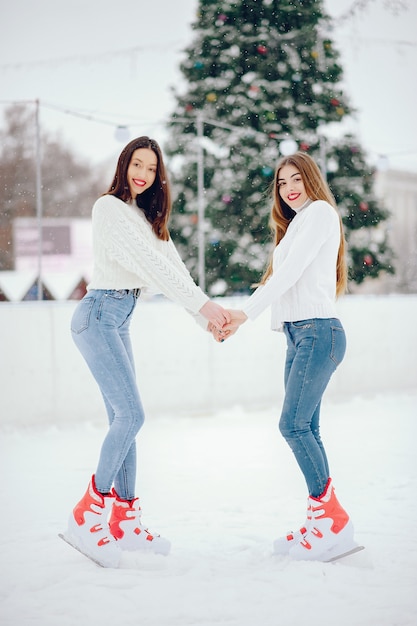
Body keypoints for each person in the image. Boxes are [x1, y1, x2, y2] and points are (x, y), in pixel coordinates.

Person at [63, 136, 230, 568]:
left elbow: (174, 270)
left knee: (126, 421)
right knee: (132, 415)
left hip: (119, 318)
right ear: (124, 165)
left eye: (151, 168)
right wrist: (206, 308)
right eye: (137, 164)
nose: (142, 173)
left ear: (158, 175)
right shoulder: (109, 209)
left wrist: (206, 319)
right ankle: (90, 512)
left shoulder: (147, 218)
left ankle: (124, 520)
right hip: (98, 314)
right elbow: (149, 267)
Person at [213, 152, 355, 562]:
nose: (289, 188)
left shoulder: (321, 213)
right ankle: (321, 520)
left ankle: (331, 520)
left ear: (312, 179)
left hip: (319, 332)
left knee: (292, 426)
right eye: (281, 182)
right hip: (299, 335)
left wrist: (246, 313)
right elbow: (285, 278)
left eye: (297, 179)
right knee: (306, 427)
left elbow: (288, 275)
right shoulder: (296, 225)